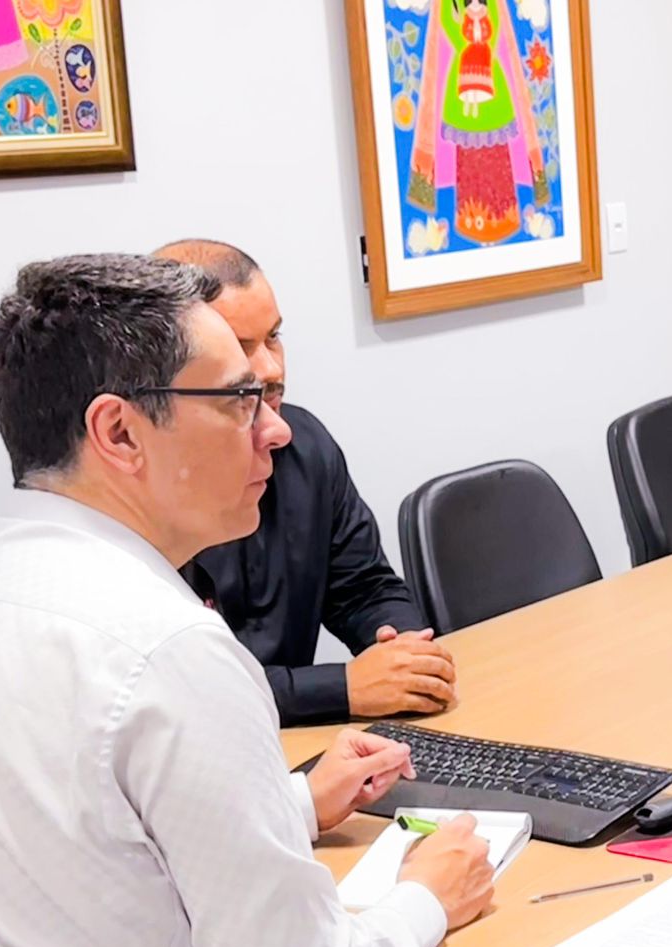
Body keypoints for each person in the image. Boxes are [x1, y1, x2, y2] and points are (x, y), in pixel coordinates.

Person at [0, 253, 615, 947]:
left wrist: (292, 804)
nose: (274, 433)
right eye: (239, 400)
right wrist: (431, 892)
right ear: (120, 433)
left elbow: (77, 843)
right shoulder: (166, 647)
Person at [152, 238, 456, 729]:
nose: (271, 368)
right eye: (240, 346)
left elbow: (363, 587)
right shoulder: (145, 488)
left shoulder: (303, 444)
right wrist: (344, 688)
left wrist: (403, 649)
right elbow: (180, 686)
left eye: (272, 337)